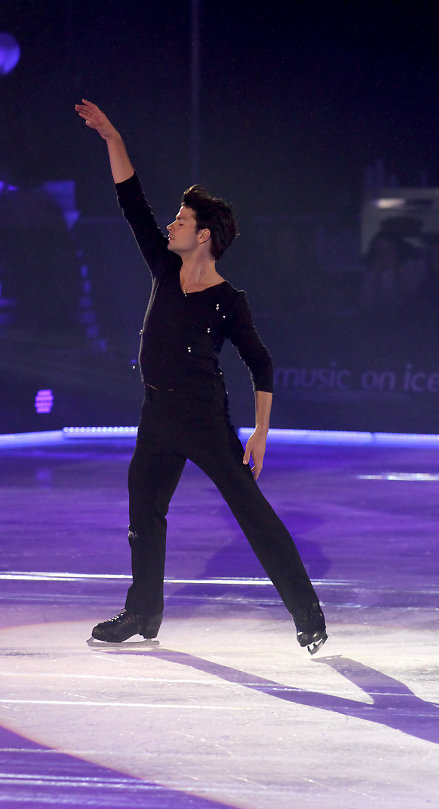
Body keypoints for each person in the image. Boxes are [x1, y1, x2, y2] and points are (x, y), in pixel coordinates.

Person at [74, 99, 327, 653]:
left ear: (205, 235)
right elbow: (131, 203)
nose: (172, 225)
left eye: (183, 221)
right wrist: (113, 137)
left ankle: (307, 614)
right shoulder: (164, 268)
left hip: (204, 417)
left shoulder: (228, 301)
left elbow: (260, 361)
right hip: (157, 412)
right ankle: (142, 614)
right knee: (144, 507)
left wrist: (259, 432)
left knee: (250, 512)